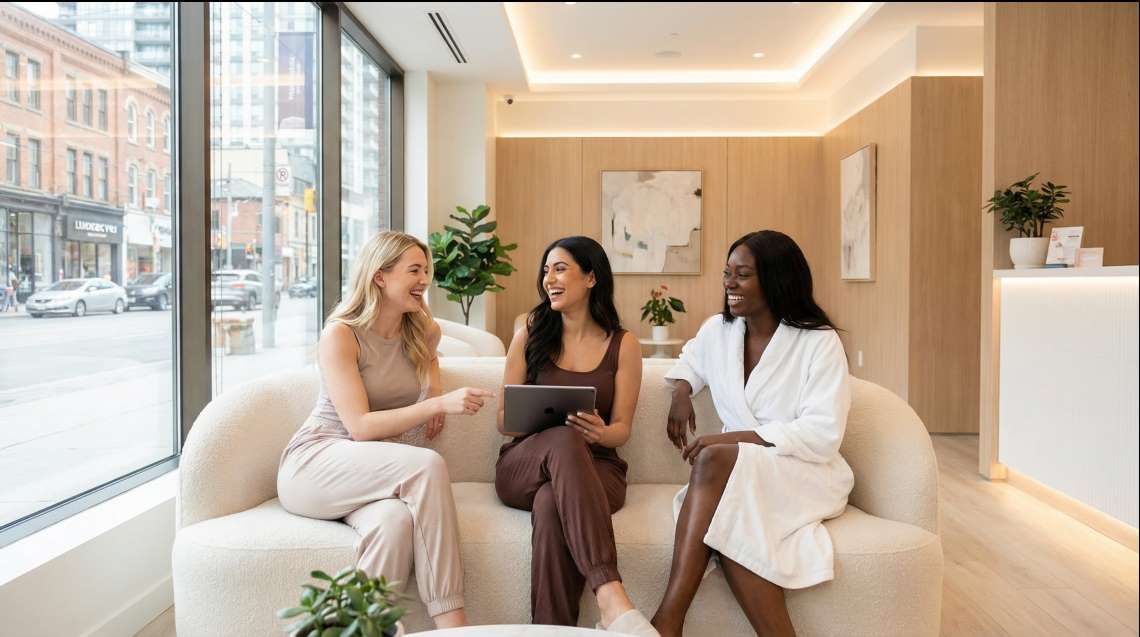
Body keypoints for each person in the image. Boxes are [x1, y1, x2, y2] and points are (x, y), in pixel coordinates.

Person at [276, 231, 495, 629]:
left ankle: (363, 627)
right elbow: (358, 427)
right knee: (426, 465)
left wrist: (436, 383)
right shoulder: (341, 334)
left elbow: (428, 357)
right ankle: (454, 625)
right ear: (380, 276)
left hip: (367, 473)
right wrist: (437, 404)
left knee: (394, 522)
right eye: (414, 270)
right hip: (317, 462)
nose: (425, 279)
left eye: (426, 270)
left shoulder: (423, 329)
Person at [651, 230, 854, 637]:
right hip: (735, 471)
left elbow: (822, 434)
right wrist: (681, 391)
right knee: (731, 519)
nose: (729, 283)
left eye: (742, 275)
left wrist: (731, 439)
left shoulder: (817, 342)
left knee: (715, 463)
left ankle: (668, 619)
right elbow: (690, 361)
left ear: (777, 280)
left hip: (802, 471)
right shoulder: (719, 332)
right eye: (727, 273)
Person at [495, 236, 657, 636]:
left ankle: (551, 631)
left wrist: (602, 433)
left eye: (561, 268)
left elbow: (622, 428)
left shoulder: (624, 345)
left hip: (596, 468)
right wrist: (536, 420)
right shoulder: (529, 333)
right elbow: (503, 419)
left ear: (591, 278)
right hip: (525, 464)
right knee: (565, 439)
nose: (549, 277)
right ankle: (612, 598)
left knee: (552, 504)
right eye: (546, 270)